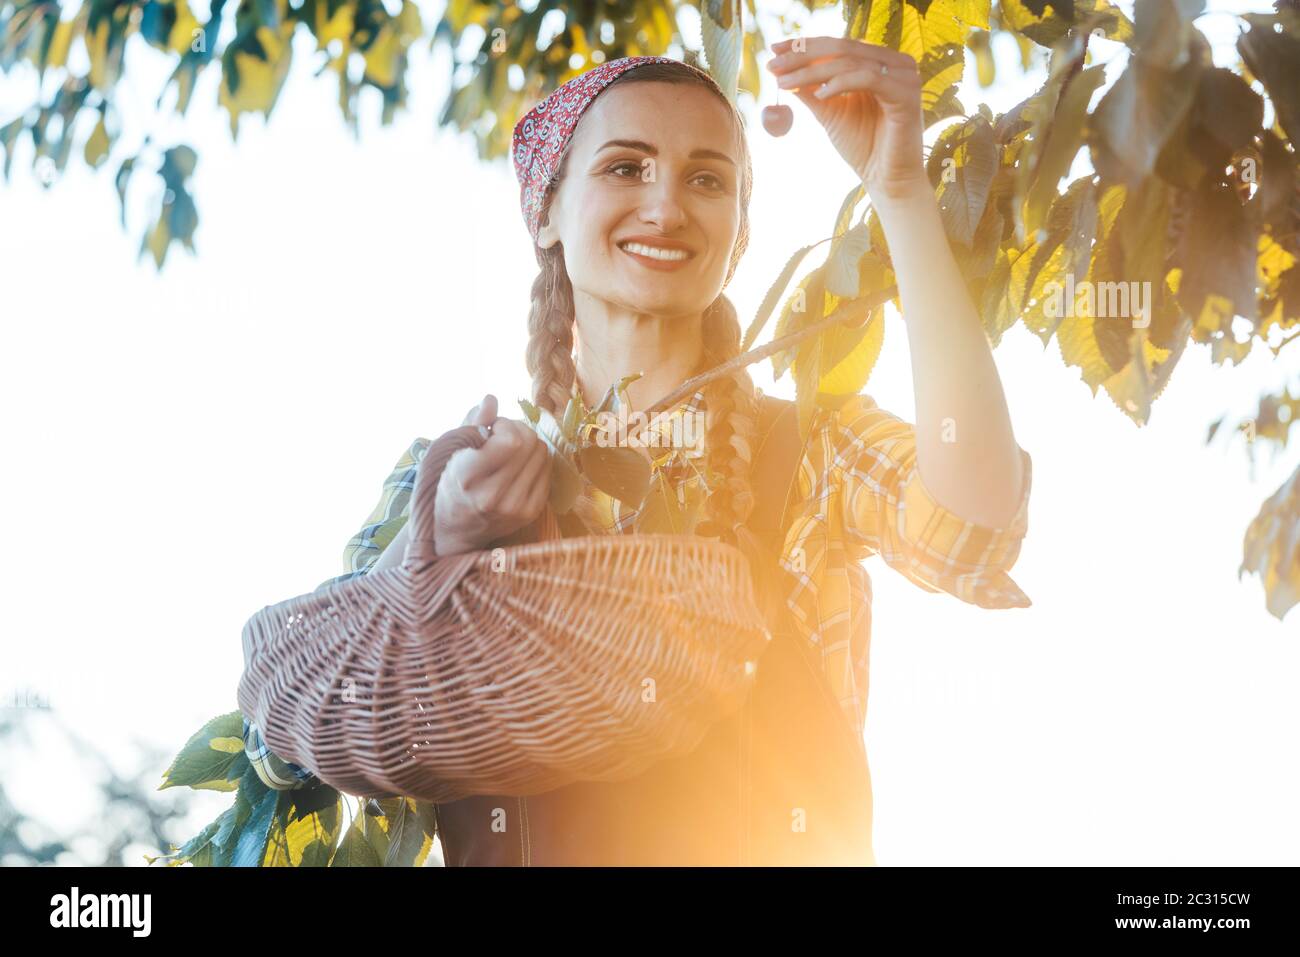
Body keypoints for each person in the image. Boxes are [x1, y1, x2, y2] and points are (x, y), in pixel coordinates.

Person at [243, 43, 1034, 865]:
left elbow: (974, 527)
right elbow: (286, 742)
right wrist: (436, 540)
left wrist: (898, 191)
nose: (665, 207)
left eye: (706, 179)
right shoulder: (449, 476)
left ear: (737, 235)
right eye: (626, 168)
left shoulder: (808, 451)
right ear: (546, 211)